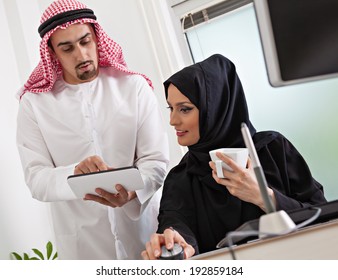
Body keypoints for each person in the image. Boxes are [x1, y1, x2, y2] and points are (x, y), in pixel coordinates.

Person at [16, 0, 169, 260]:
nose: (81, 55)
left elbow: (155, 160)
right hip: (84, 249)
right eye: (67, 48)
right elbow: (36, 178)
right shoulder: (34, 105)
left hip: (144, 239)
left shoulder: (134, 88)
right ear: (52, 53)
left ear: (97, 38)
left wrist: (132, 192)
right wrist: (75, 173)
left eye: (86, 42)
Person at [141, 54, 327, 259]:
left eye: (185, 109)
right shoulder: (181, 178)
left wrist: (263, 196)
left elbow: (322, 215)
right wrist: (175, 242)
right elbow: (176, 224)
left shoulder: (273, 149)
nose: (173, 121)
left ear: (217, 108)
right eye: (171, 108)